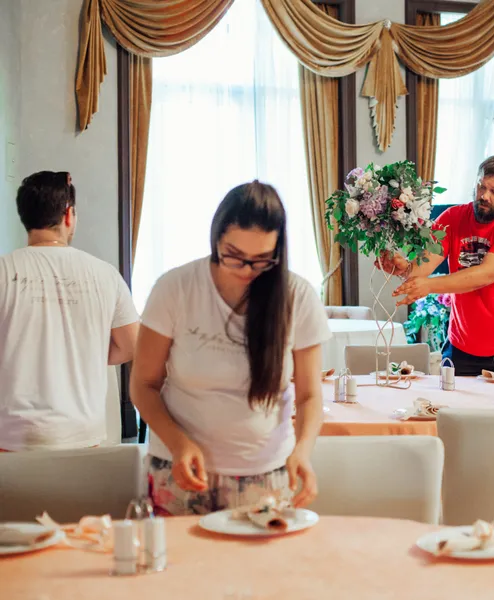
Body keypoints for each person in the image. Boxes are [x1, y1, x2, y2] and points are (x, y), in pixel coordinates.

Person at [130, 181, 331, 515]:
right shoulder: (175, 288)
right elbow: (143, 384)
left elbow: (310, 395)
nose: (246, 270)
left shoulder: (297, 296)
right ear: (216, 240)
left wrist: (303, 451)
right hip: (179, 467)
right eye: (234, 256)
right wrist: (179, 444)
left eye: (261, 260)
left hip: (263, 472)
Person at [0, 171, 139, 451]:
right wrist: (83, 350)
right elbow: (131, 345)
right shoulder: (105, 275)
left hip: (11, 440)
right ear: (68, 215)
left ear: (24, 216)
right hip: (83, 438)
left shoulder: (4, 271)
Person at [379, 155, 494, 376]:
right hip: (461, 342)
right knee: (451, 399)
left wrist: (428, 286)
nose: (484, 196)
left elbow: (483, 275)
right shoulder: (452, 218)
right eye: (481, 187)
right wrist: (403, 268)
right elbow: (423, 266)